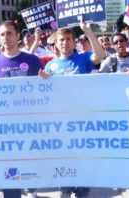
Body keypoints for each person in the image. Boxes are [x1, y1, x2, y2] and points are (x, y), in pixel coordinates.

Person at [0, 20, 45, 198]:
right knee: (10, 171)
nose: (6, 37)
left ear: (18, 36)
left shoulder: (32, 60)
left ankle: (30, 189)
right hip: (4, 129)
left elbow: (45, 90)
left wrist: (48, 79)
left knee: (28, 167)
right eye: (2, 34)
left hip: (28, 127)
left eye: (9, 33)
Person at [42, 23, 106, 198]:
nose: (65, 43)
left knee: (83, 157)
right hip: (61, 122)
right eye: (61, 40)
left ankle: (82, 190)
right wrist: (45, 82)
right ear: (56, 43)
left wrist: (88, 32)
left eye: (68, 39)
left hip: (83, 120)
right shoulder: (50, 67)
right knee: (64, 156)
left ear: (74, 42)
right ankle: (65, 187)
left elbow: (100, 55)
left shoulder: (83, 58)